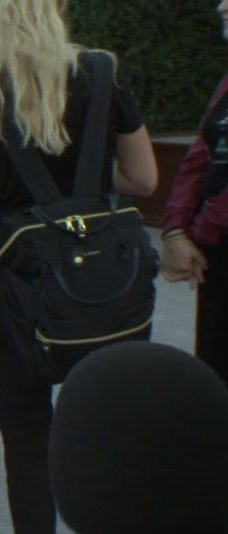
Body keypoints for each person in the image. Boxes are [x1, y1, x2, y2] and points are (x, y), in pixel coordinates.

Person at [0, 0, 158, 534]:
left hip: (16, 291)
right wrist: (86, 188)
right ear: (59, 7)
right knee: (116, 433)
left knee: (26, 445)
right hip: (105, 284)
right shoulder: (102, 71)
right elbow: (144, 178)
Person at [161, 0, 228, 387]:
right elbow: (199, 155)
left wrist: (198, 235)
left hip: (214, 241)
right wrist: (175, 230)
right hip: (216, 253)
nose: (222, 6)